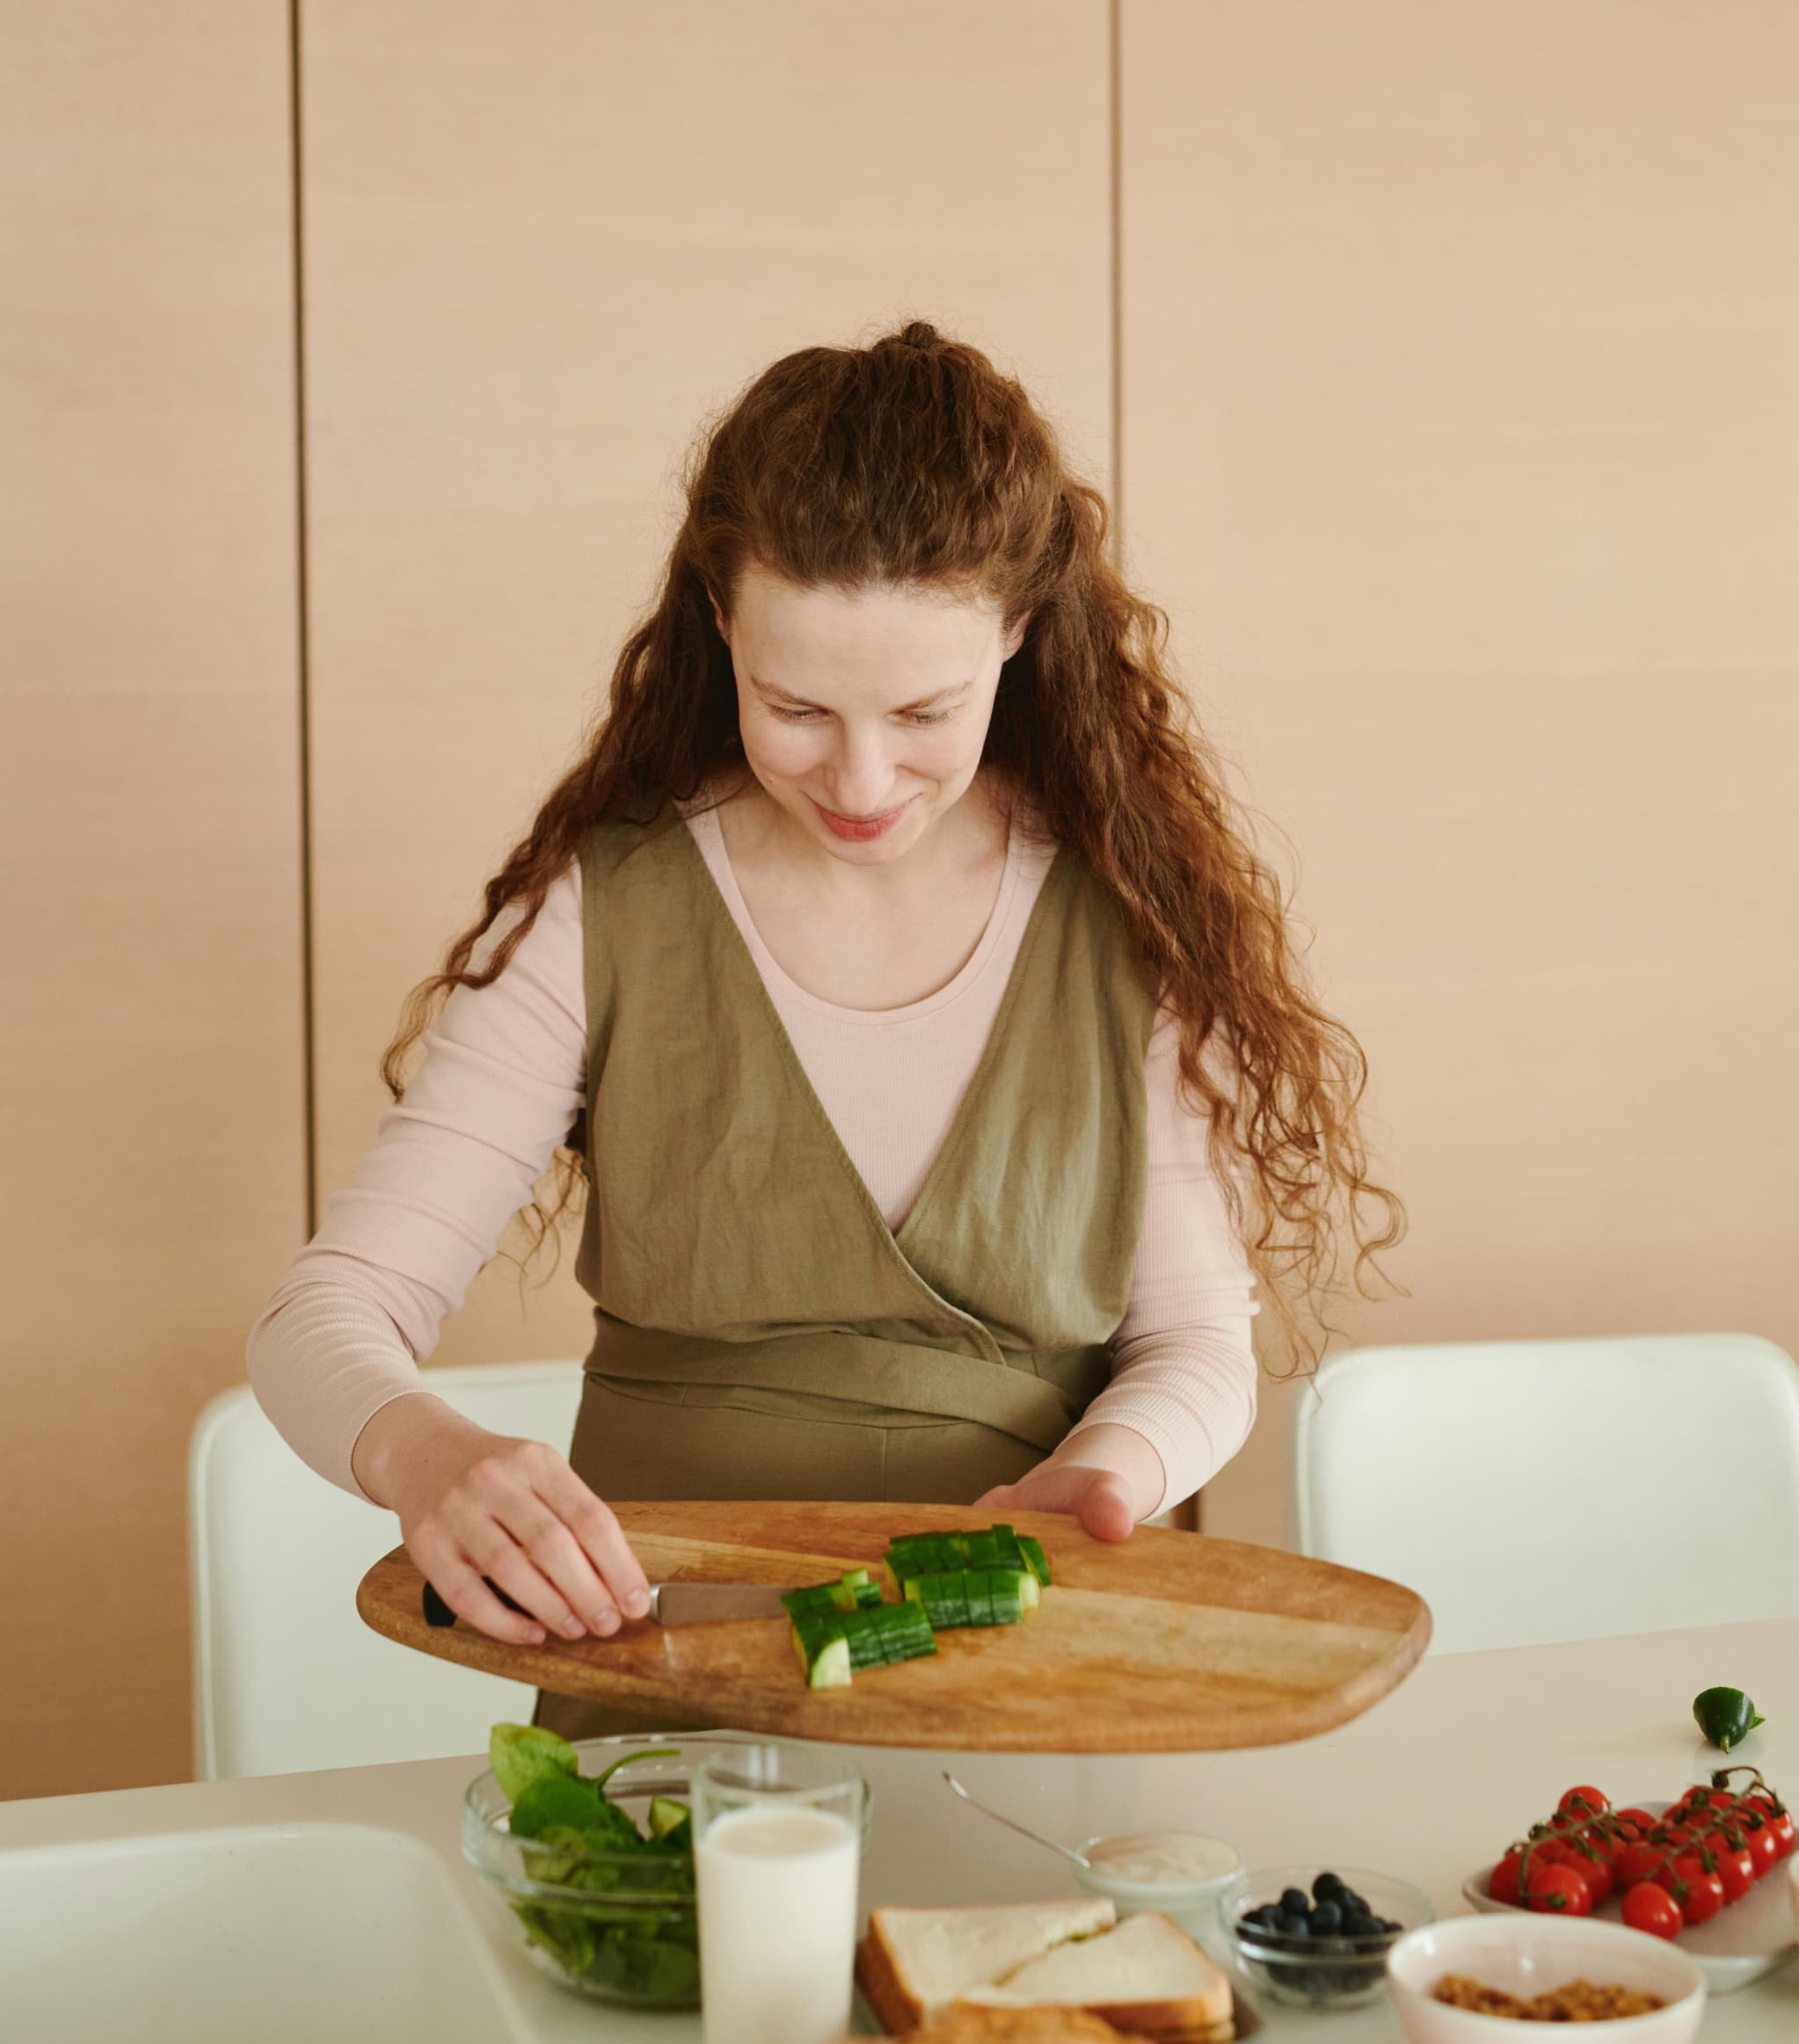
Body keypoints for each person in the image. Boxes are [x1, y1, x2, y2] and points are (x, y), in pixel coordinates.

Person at [247, 319, 1402, 1741]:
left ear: (1022, 635)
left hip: (1029, 1684)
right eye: (794, 707)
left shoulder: (1118, 920)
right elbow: (322, 1319)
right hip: (661, 1688)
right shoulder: (604, 907)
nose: (860, 780)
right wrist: (429, 1456)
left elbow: (1194, 1345)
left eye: (926, 710)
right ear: (717, 622)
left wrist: (1103, 1472)